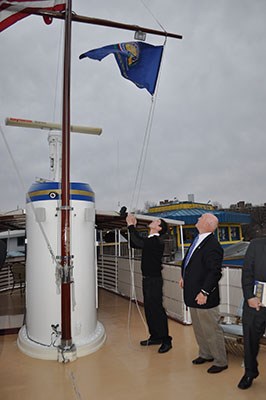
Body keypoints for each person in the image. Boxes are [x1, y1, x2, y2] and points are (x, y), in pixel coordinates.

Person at [179, 213, 228, 373]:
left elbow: (214, 272)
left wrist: (204, 292)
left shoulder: (213, 245)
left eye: (201, 218)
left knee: (211, 329)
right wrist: (183, 276)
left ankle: (220, 361)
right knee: (199, 328)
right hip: (192, 292)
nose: (198, 220)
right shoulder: (198, 239)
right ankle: (205, 353)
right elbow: (189, 262)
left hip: (203, 295)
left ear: (208, 223)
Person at [126, 213, 172, 353]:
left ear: (159, 228)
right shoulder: (150, 240)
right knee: (150, 309)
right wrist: (131, 227)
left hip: (154, 280)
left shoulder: (157, 241)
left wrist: (131, 226)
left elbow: (139, 242)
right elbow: (135, 243)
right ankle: (155, 336)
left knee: (157, 309)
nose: (153, 221)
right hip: (148, 279)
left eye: (156, 221)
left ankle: (166, 340)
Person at [237, 237, 266, 390]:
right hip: (256, 302)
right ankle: (250, 372)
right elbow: (247, 272)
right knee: (250, 339)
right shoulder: (256, 244)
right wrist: (249, 296)